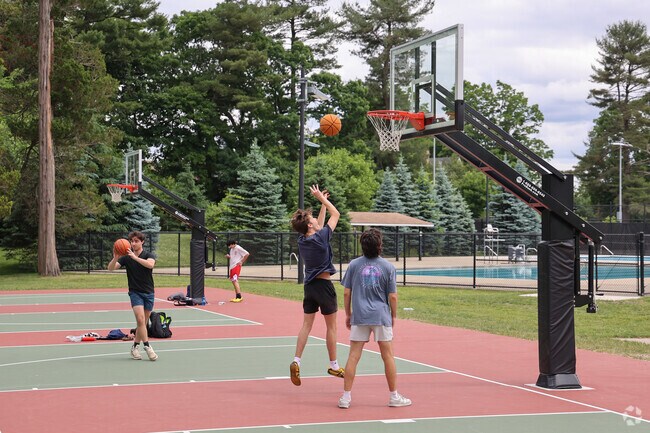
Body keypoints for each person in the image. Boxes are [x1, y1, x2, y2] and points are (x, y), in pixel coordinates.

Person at [338, 228, 411, 409]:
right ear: (379, 246)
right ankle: (394, 396)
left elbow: (347, 292)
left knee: (353, 356)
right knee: (388, 356)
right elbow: (393, 297)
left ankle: (346, 397)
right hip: (380, 315)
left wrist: (348, 313)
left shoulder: (354, 265)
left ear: (362, 246)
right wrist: (393, 315)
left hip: (360, 315)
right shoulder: (388, 267)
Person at [289, 184, 344, 386]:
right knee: (332, 327)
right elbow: (335, 214)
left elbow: (319, 225)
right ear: (310, 226)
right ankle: (334, 365)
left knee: (306, 325)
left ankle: (296, 360)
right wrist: (322, 199)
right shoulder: (321, 238)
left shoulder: (303, 239)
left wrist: (321, 206)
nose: (313, 220)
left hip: (309, 287)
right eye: (311, 219)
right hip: (324, 286)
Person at [108, 231, 158, 361]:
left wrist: (135, 258)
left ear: (142, 242)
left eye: (136, 241)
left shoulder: (148, 255)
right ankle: (147, 347)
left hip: (149, 292)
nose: (133, 243)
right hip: (135, 292)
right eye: (132, 241)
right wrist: (115, 257)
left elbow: (150, 264)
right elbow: (111, 268)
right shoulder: (126, 257)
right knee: (141, 320)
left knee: (143, 323)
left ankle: (135, 346)